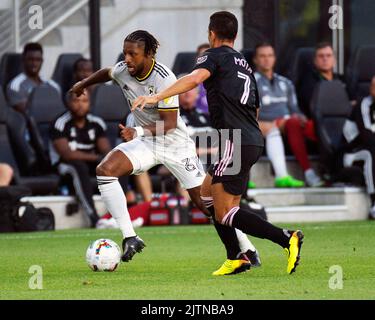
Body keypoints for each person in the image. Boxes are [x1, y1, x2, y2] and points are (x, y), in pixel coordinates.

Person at [71, 30, 260, 272]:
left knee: (208, 204)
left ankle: (248, 248)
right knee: (105, 170)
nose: (126, 58)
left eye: (133, 54)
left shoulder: (165, 79)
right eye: (125, 52)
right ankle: (130, 236)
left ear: (149, 54)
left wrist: (137, 132)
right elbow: (107, 72)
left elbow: (168, 125)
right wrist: (82, 84)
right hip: (147, 143)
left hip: (175, 144)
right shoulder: (123, 69)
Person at [133, 12, 304, 275]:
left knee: (225, 211)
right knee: (206, 194)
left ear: (211, 33)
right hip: (248, 138)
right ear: (234, 35)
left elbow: (194, 79)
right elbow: (255, 108)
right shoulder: (244, 63)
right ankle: (235, 256)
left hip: (235, 140)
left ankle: (286, 238)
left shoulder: (213, 55)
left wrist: (157, 98)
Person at [253, 42, 323, 187]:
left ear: (274, 59)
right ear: (255, 60)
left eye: (270, 55)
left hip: (289, 122)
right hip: (266, 124)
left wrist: (301, 117)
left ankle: (331, 171)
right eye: (262, 56)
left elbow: (294, 108)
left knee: (316, 126)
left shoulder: (286, 82)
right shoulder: (250, 82)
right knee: (292, 123)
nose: (267, 59)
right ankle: (308, 173)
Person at [50, 90, 111, 227]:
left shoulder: (97, 123)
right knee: (78, 166)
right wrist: (96, 157)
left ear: (90, 103)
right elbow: (67, 154)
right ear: (68, 103)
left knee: (114, 163)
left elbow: (106, 151)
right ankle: (94, 218)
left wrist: (105, 160)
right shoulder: (60, 123)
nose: (80, 105)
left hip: (90, 164)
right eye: (76, 101)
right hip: (64, 167)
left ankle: (116, 215)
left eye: (84, 101)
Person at [341, 76, 375, 219]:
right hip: (352, 152)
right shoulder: (363, 104)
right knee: (372, 152)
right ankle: (374, 203)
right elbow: (367, 136)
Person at [298, 42, 349, 118]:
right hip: (320, 122)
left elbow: (352, 101)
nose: (325, 59)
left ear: (334, 61)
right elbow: (315, 106)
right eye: (321, 56)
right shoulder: (308, 81)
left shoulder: (342, 80)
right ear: (315, 61)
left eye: (328, 56)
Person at [6, 42, 60, 114]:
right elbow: (28, 112)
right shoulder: (15, 86)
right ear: (23, 60)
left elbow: (59, 109)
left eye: (38, 60)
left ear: (42, 61)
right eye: (30, 59)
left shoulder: (53, 85)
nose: (34, 63)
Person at [195, 43, 210, 114]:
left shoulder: (223, 80)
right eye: (203, 56)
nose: (206, 59)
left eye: (209, 56)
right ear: (197, 59)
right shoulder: (191, 81)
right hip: (197, 119)